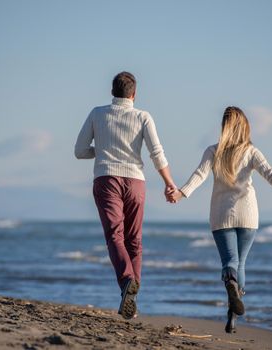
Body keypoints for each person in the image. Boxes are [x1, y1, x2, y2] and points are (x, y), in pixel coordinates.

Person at [167, 106, 272, 333]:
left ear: (224, 127)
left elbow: (199, 175)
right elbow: (270, 173)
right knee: (241, 263)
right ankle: (233, 315)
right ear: (244, 126)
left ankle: (231, 286)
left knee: (230, 263)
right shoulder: (251, 151)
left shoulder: (213, 151)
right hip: (248, 215)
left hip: (221, 214)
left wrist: (181, 193)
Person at [75, 71, 176, 320]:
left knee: (114, 236)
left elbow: (79, 151)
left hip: (106, 179)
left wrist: (102, 151)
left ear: (112, 92)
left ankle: (127, 281)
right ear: (134, 94)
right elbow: (157, 153)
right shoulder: (143, 116)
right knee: (134, 240)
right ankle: (132, 293)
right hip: (135, 182)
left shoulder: (97, 113)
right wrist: (169, 183)